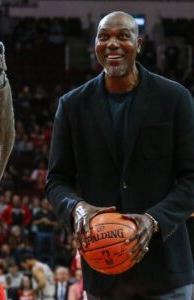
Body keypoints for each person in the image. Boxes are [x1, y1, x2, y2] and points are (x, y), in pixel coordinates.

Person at [46, 11, 194, 300]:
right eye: (104, 37)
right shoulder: (72, 105)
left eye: (122, 36)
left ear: (138, 44)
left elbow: (191, 177)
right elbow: (56, 181)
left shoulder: (175, 98)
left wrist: (154, 220)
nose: (112, 43)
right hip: (103, 274)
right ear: (95, 46)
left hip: (167, 271)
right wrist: (76, 208)